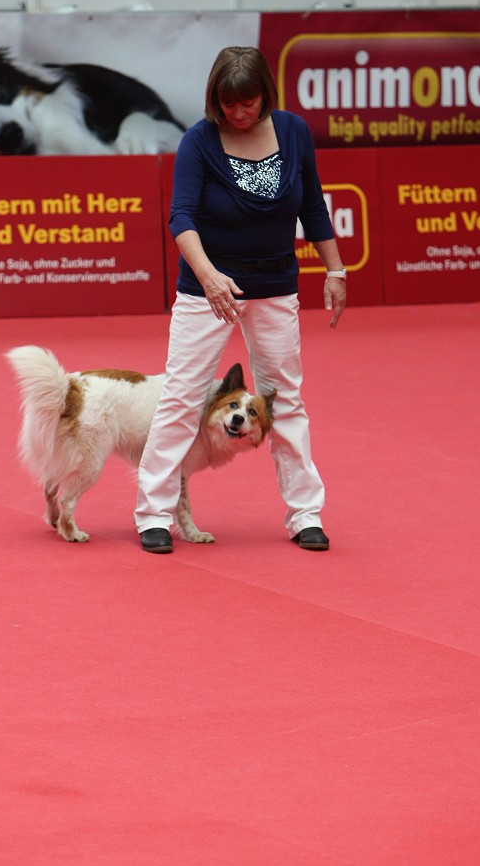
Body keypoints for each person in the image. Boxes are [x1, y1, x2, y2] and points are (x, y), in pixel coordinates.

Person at [134, 46, 346, 554]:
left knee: (285, 398)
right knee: (182, 397)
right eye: (228, 104)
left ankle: (305, 514)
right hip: (207, 290)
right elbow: (180, 218)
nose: (239, 113)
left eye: (248, 102)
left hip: (275, 286)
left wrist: (335, 268)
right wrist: (208, 277)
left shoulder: (294, 132)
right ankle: (153, 516)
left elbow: (313, 204)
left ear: (264, 96)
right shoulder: (199, 142)